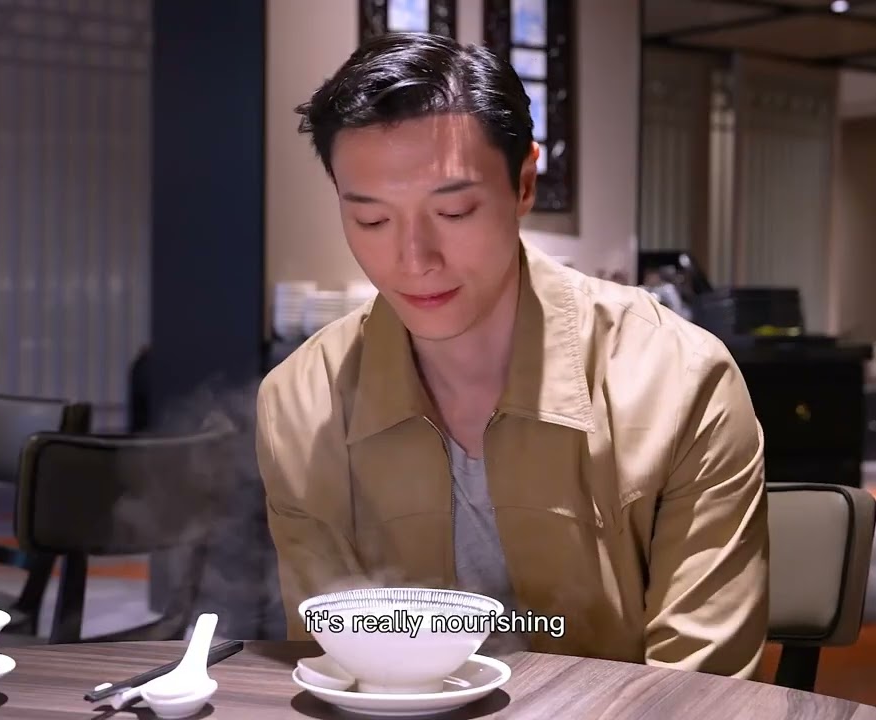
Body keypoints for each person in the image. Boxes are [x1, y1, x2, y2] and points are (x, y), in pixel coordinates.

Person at [254, 32, 769, 678]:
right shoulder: (302, 405)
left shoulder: (679, 382)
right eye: (372, 221)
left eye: (454, 210)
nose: (414, 260)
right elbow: (338, 664)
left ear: (524, 183)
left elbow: (698, 693)